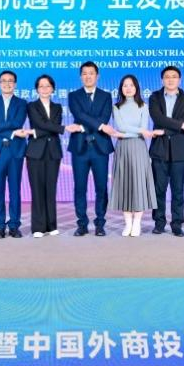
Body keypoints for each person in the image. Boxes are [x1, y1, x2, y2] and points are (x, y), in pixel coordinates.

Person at [26, 74, 82, 238]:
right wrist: (63, 128)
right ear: (37, 89)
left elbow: (49, 127)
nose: (44, 89)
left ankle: (51, 225)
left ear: (53, 89)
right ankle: (38, 227)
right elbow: (42, 124)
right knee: (37, 189)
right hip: (35, 152)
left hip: (53, 151)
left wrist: (35, 132)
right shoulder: (32, 106)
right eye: (41, 86)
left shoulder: (57, 107)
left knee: (51, 189)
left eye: (48, 86)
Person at [68, 61, 116, 237]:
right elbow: (79, 115)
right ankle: (82, 224)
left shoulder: (106, 96)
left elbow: (105, 117)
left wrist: (84, 126)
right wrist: (101, 126)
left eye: (91, 73)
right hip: (80, 147)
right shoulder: (73, 96)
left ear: (97, 76)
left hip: (100, 148)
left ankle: (100, 223)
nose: (88, 76)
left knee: (101, 187)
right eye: (84, 73)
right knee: (79, 187)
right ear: (81, 76)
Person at [109, 75, 161, 237]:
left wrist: (124, 134)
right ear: (121, 89)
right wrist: (134, 132)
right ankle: (128, 223)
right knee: (124, 183)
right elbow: (121, 126)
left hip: (139, 147)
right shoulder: (116, 107)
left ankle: (137, 222)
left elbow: (142, 127)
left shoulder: (143, 106)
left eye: (131, 85)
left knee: (139, 184)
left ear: (136, 88)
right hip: (123, 148)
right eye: (125, 85)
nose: (128, 88)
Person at [0, 71, 30, 239]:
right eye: (4, 81)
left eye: (10, 81)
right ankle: (0, 226)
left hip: (15, 151)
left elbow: (17, 122)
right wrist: (11, 132)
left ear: (15, 84)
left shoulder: (22, 103)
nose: (7, 84)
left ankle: (14, 225)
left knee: (15, 190)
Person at [149, 66, 184, 237]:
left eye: (174, 76)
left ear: (179, 80)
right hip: (159, 149)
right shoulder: (155, 97)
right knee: (158, 189)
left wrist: (164, 130)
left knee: (178, 190)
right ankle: (159, 222)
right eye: (167, 76)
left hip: (180, 149)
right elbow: (158, 118)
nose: (170, 79)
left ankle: (177, 224)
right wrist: (181, 125)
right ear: (162, 80)